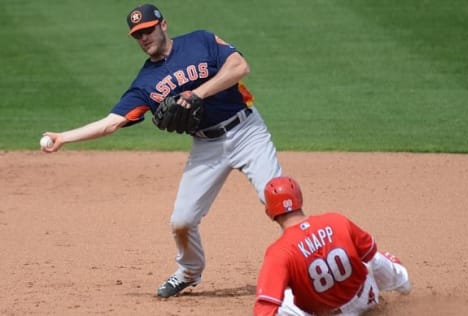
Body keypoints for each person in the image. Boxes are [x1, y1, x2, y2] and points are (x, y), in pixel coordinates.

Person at [41, 3, 282, 298]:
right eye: (137, 35)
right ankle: (189, 272)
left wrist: (197, 93)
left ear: (163, 25)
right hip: (207, 145)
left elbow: (239, 67)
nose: (144, 38)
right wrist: (63, 137)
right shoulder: (145, 84)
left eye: (147, 30)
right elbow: (110, 123)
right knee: (182, 221)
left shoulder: (201, 41)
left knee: (278, 198)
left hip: (247, 132)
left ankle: (311, 259)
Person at [254, 176, 411, 316]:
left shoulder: (279, 252)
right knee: (372, 257)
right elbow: (368, 250)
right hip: (366, 298)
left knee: (280, 300)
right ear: (300, 199)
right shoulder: (336, 220)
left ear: (269, 212)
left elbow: (265, 308)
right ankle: (402, 282)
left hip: (329, 314)